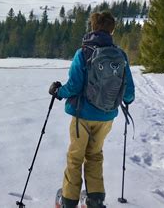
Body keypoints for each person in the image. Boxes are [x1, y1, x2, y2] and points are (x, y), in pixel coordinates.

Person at [49, 11, 135, 208]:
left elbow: (75, 85)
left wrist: (58, 92)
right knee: (95, 155)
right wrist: (126, 100)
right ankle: (95, 200)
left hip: (82, 115)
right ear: (112, 30)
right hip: (106, 117)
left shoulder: (84, 52)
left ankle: (68, 201)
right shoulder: (120, 55)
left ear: (93, 27)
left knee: (75, 156)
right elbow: (129, 91)